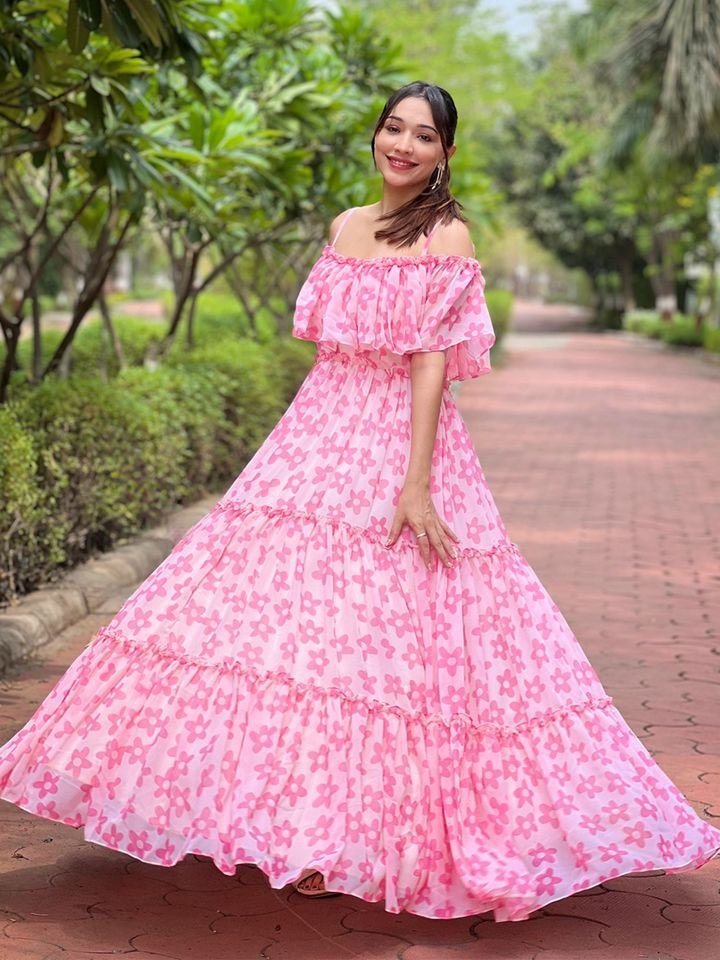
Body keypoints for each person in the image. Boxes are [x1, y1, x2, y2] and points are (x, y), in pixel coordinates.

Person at [0, 81, 718, 922]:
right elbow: (327, 351)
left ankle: (348, 840)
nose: (403, 145)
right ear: (376, 137)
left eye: (423, 135)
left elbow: (428, 363)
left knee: (384, 643)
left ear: (445, 153)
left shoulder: (447, 231)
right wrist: (293, 457)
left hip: (400, 442)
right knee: (286, 630)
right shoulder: (345, 224)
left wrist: (415, 483)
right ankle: (290, 825)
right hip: (315, 434)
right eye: (392, 128)